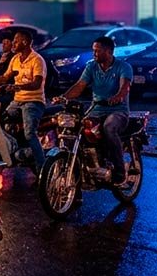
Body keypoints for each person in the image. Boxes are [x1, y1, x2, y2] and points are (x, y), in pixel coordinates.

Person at [54, 36, 134, 184]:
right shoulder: (91, 66)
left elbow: (125, 87)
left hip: (117, 111)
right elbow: (79, 86)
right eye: (93, 51)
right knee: (74, 128)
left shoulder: (123, 67)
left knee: (109, 127)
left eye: (97, 51)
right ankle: (77, 170)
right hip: (95, 109)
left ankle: (119, 171)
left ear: (108, 51)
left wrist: (117, 97)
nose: (94, 54)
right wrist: (63, 98)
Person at [0, 31, 48, 172]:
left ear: (25, 42)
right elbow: (5, 76)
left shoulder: (37, 60)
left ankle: (42, 167)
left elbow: (37, 83)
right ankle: (12, 147)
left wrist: (17, 87)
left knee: (29, 133)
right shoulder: (15, 59)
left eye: (15, 41)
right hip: (17, 101)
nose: (13, 43)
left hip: (33, 101)